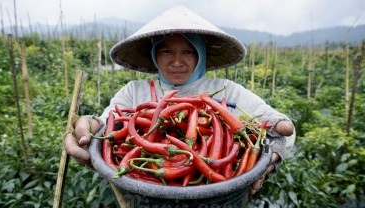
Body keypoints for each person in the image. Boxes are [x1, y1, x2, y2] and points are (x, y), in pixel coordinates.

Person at [64, 4, 295, 203]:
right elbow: (106, 125)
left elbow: (279, 126)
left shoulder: (230, 91)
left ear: (200, 54)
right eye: (166, 51)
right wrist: (90, 126)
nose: (177, 61)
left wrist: (272, 154)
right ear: (155, 54)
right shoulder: (134, 92)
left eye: (188, 51)